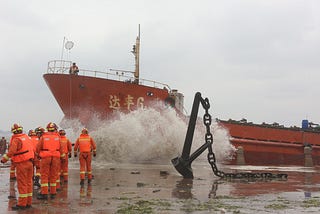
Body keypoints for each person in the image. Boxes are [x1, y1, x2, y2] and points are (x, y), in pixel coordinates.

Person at [1, 123, 34, 210]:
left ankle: (22, 204)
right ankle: (28, 202)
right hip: (30, 163)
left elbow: (11, 152)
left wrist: (4, 159)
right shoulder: (27, 138)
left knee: (22, 184)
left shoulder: (16, 140)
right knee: (29, 183)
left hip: (21, 163)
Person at [36, 122, 64, 200]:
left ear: (47, 129)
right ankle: (53, 193)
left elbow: (38, 147)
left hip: (45, 157)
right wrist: (62, 157)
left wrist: (38, 155)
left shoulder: (43, 137)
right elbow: (61, 148)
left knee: (44, 175)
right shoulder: (58, 137)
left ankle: (44, 193)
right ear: (55, 129)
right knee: (53, 175)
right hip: (55, 157)